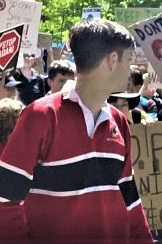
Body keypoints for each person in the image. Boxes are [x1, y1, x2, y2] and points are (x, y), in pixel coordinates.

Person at [0, 19, 152, 243]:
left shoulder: (119, 121)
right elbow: (5, 200)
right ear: (111, 60)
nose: (130, 70)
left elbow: (130, 201)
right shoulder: (41, 116)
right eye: (128, 59)